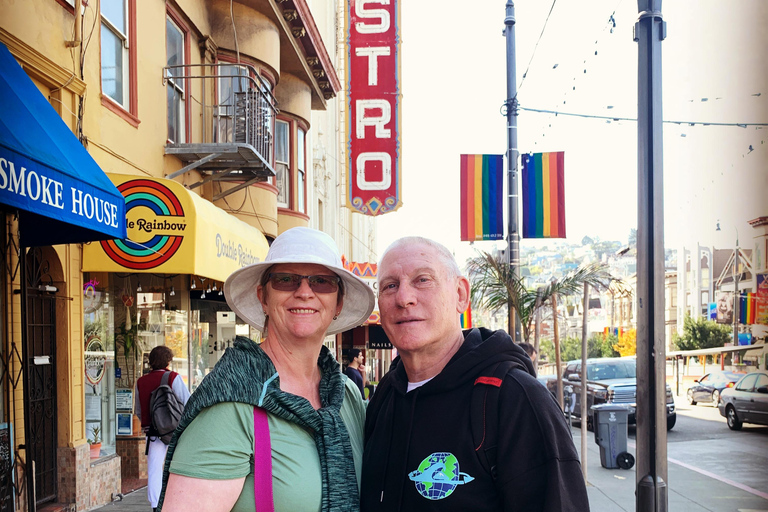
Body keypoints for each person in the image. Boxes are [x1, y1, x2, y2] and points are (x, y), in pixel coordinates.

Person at [361, 237, 590, 512]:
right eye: (390, 285)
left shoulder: (514, 398)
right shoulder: (385, 396)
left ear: (460, 294)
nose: (404, 298)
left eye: (422, 280)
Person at [158, 227, 375, 512]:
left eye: (322, 282)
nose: (304, 292)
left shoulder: (344, 394)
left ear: (338, 303)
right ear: (264, 297)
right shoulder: (230, 406)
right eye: (286, 280)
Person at [135, 346, 190, 512]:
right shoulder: (173, 378)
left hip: (152, 432)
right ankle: (178, 500)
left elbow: (138, 409)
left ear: (150, 361)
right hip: (173, 430)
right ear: (168, 360)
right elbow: (187, 402)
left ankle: (155, 505)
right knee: (178, 465)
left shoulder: (141, 381)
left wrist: (148, 423)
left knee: (154, 469)